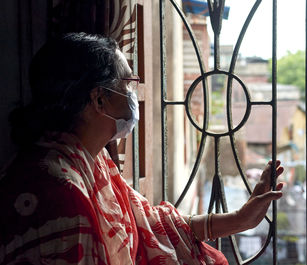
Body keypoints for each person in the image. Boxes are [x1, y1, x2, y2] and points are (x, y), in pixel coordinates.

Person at [0, 33, 285, 265]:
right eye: (129, 85)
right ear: (99, 100)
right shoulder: (60, 192)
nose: (135, 96)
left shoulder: (92, 161)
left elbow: (152, 224)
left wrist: (241, 219)